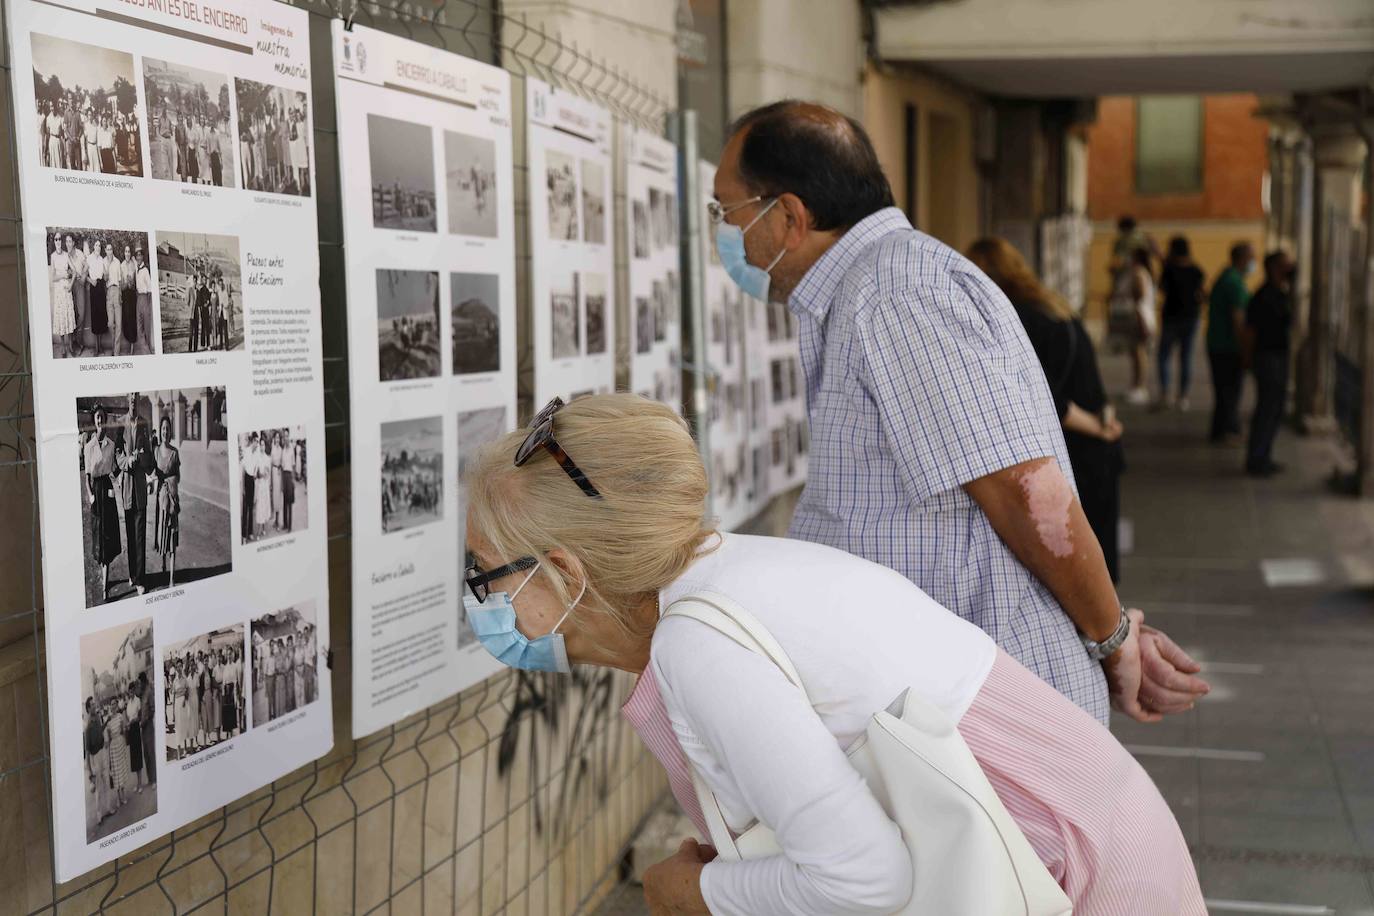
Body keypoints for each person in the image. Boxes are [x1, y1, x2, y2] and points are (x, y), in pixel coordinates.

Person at [462, 394, 1205, 915]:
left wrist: (692, 894)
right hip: (1093, 842)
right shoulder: (729, 572)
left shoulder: (700, 645)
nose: (479, 598)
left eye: (485, 573)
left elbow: (864, 879)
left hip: (1081, 879)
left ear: (566, 575)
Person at [710, 101, 1205, 726]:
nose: (724, 232)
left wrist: (1113, 640)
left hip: (984, 716)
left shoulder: (895, 293)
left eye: (726, 211)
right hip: (951, 705)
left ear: (788, 216)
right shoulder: (877, 287)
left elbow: (1026, 492)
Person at [967, 238, 1125, 583]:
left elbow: (1049, 398)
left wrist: (1096, 427)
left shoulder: (1017, 319)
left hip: (1073, 451)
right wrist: (1105, 424)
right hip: (1100, 453)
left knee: (1075, 570)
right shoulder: (1055, 306)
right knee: (1098, 564)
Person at [1244, 251, 1295, 477]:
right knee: (1267, 408)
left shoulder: (1280, 293)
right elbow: (1250, 331)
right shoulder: (1264, 296)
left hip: (1277, 356)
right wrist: (1247, 358)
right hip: (1267, 357)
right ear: (1275, 267)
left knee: (1274, 409)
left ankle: (1263, 455)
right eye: (1286, 265)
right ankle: (1257, 459)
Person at [1207, 242, 1254, 442]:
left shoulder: (1226, 277)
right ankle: (1228, 431)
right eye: (1251, 258)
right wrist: (1246, 349)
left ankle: (1220, 429)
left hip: (1217, 343)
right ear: (1243, 259)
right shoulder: (1234, 283)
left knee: (1223, 390)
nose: (1253, 263)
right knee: (1230, 390)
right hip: (1228, 346)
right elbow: (1238, 319)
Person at [1155, 236, 1206, 411]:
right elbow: (1202, 294)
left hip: (1171, 318)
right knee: (1186, 358)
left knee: (1164, 356)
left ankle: (1165, 394)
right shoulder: (1196, 270)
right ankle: (1183, 397)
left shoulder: (1169, 269)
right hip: (1191, 317)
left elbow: (1162, 288)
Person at [116, 392, 152, 595]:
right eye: (130, 395)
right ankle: (132, 574)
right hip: (127, 488)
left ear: (138, 399)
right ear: (127, 398)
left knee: (139, 536)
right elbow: (117, 453)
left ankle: (140, 579)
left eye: (136, 395)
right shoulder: (120, 423)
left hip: (139, 487)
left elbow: (149, 455)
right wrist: (125, 462)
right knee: (130, 535)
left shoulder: (144, 423)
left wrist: (140, 458)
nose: (133, 398)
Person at [84, 405, 122, 602]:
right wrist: (91, 496)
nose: (100, 420)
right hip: (96, 492)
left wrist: (122, 477)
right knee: (98, 536)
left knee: (108, 537)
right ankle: (103, 574)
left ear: (105, 420)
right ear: (94, 420)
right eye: (97, 417)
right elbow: (87, 477)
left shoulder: (111, 444)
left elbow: (114, 470)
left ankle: (105, 586)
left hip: (108, 491)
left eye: (102, 417)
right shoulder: (88, 447)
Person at [153, 415, 181, 587]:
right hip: (160, 500)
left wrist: (170, 483)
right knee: (162, 535)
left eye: (167, 429)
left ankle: (171, 578)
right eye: (163, 428)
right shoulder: (156, 451)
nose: (165, 431)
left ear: (170, 432)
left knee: (171, 538)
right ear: (160, 431)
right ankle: (163, 567)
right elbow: (152, 473)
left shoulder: (175, 453)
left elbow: (178, 476)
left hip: (171, 500)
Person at [50, 233, 75, 357]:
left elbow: (74, 272)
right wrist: (62, 275)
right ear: (54, 242)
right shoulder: (53, 256)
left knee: (68, 316)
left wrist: (71, 284)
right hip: (59, 292)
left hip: (66, 289)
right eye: (56, 239)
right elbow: (53, 277)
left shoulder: (66, 255)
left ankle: (70, 346)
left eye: (60, 239)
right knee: (60, 318)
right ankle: (63, 347)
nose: (58, 241)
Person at [86, 238, 108, 355]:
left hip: (101, 287)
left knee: (101, 317)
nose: (98, 247)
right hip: (94, 288)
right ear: (93, 247)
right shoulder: (89, 258)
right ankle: (96, 347)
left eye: (99, 246)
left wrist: (106, 273)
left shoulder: (102, 259)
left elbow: (105, 276)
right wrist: (91, 280)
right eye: (96, 245)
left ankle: (101, 346)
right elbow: (84, 274)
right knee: (95, 317)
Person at [125, 681, 146, 793]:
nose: (131, 692)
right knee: (133, 758)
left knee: (138, 756)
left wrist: (132, 721)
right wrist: (128, 724)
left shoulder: (138, 701)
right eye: (130, 691)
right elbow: (128, 717)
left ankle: (140, 783)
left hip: (136, 728)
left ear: (134, 690)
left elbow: (139, 717)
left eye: (132, 690)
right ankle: (137, 784)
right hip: (130, 730)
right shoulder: (128, 703)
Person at [105, 241, 124, 356]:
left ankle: (116, 351)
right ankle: (113, 346)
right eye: (107, 249)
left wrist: (120, 294)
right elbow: (104, 279)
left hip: (117, 291)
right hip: (109, 292)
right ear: (105, 251)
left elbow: (120, 280)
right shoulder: (103, 261)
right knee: (110, 324)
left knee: (119, 324)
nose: (109, 251)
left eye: (111, 249)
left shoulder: (117, 262)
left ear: (112, 250)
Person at [138, 670, 157, 785]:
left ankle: (154, 779)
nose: (140, 684)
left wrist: (145, 720)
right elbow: (141, 710)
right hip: (143, 727)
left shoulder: (149, 692)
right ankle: (150, 779)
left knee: (151, 752)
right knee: (145, 753)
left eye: (140, 682)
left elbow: (153, 709)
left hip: (148, 725)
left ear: (144, 681)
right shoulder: (141, 694)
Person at [253, 434, 272, 539]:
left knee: (265, 506)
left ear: (265, 446)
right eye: (260, 445)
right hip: (260, 486)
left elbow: (268, 474)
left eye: (263, 445)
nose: (262, 447)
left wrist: (266, 474)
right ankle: (259, 530)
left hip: (265, 486)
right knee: (260, 507)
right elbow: (255, 475)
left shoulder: (268, 459)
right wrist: (259, 474)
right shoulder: (257, 458)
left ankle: (264, 528)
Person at [134, 250, 153, 354]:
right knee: (139, 326)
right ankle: (145, 349)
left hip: (145, 298)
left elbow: (150, 288)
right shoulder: (136, 269)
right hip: (138, 298)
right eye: (137, 256)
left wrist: (148, 303)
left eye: (140, 255)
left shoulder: (145, 270)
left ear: (142, 257)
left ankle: (148, 350)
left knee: (146, 326)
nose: (138, 257)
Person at [242, 431, 258, 540]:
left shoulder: (256, 454)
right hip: (246, 479)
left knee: (251, 507)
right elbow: (243, 470)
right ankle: (244, 534)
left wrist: (255, 474)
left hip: (252, 480)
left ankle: (250, 532)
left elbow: (255, 470)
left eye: (257, 441)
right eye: (256, 441)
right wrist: (243, 488)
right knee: (245, 508)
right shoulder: (246, 451)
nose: (257, 443)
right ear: (252, 441)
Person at [280, 432, 297, 532]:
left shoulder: (291, 450)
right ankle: (285, 524)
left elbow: (293, 465)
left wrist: (293, 480)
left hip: (290, 475)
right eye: (284, 436)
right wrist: (282, 482)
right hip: (284, 475)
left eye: (287, 436)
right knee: (284, 501)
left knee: (289, 501)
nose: (285, 438)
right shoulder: (283, 450)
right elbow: (282, 467)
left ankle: (290, 526)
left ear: (289, 437)